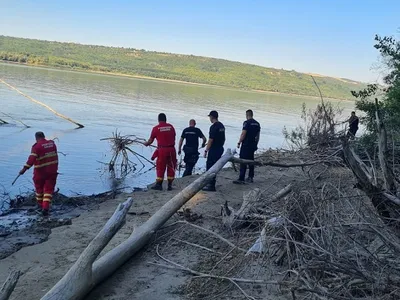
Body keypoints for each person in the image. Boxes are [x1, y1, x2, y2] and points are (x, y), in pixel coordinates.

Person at [19, 132, 58, 216]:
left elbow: (31, 160)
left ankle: (40, 206)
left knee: (39, 190)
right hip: (52, 171)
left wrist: (24, 169)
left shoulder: (36, 147)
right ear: (44, 136)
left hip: (40, 172)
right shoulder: (52, 144)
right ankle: (46, 207)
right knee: (48, 190)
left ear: (36, 138)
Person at [144, 113, 177, 191]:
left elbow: (150, 141)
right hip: (172, 149)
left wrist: (146, 144)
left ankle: (159, 185)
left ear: (158, 120)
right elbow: (174, 137)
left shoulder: (156, 128)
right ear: (166, 119)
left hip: (162, 150)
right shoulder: (171, 127)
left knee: (160, 167)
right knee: (171, 166)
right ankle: (169, 185)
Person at [233, 110, 261, 184]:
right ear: (252, 115)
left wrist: (239, 142)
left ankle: (241, 178)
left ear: (247, 115)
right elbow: (258, 136)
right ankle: (250, 177)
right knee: (251, 161)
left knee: (243, 161)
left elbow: (243, 134)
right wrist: (256, 144)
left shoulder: (246, 123)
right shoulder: (257, 124)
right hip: (253, 145)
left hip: (246, 145)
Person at [203, 110, 225, 192]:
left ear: (212, 117)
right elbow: (223, 138)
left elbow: (211, 140)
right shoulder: (221, 126)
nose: (209, 119)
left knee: (210, 166)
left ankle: (210, 185)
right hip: (220, 148)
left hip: (214, 149)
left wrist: (206, 150)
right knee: (215, 166)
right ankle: (212, 183)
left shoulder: (213, 127)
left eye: (210, 117)